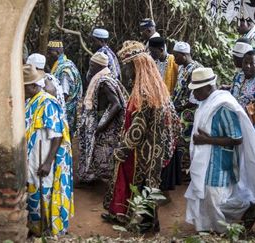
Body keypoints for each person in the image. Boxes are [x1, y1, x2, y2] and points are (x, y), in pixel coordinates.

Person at [184, 67, 255, 233]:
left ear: (208, 87)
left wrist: (207, 140)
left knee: (215, 198)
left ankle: (233, 222)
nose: (194, 96)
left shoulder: (224, 106)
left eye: (196, 91)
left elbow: (237, 138)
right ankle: (211, 227)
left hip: (219, 162)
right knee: (207, 197)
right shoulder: (208, 102)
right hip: (207, 161)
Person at [102, 41, 180, 233]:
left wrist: (122, 149)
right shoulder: (156, 88)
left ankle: (147, 226)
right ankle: (141, 221)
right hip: (154, 149)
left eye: (129, 66)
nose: (127, 71)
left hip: (143, 151)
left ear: (138, 66)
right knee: (149, 184)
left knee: (143, 184)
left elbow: (138, 128)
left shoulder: (145, 93)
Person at [23, 64, 74, 236]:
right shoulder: (32, 101)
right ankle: (36, 228)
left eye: (24, 87)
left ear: (32, 86)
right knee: (34, 190)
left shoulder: (47, 103)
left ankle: (48, 229)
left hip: (44, 155)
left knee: (44, 190)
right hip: (35, 154)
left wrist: (47, 162)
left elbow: (57, 135)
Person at [77, 52, 127, 183]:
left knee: (103, 151)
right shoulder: (102, 78)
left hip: (102, 121)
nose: (90, 68)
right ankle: (92, 177)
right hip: (99, 119)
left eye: (92, 65)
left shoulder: (104, 82)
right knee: (95, 150)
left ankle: (103, 180)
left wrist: (101, 125)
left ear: (99, 66)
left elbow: (116, 104)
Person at [171, 41, 203, 180]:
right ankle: (181, 169)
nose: (174, 59)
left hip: (190, 111)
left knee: (185, 140)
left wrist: (180, 107)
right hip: (180, 108)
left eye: (176, 56)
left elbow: (194, 97)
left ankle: (187, 170)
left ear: (184, 55)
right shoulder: (183, 68)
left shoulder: (196, 69)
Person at [46, 40, 83, 137]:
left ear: (57, 53)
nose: (48, 56)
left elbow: (64, 94)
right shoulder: (65, 63)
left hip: (66, 113)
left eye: (50, 52)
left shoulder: (64, 70)